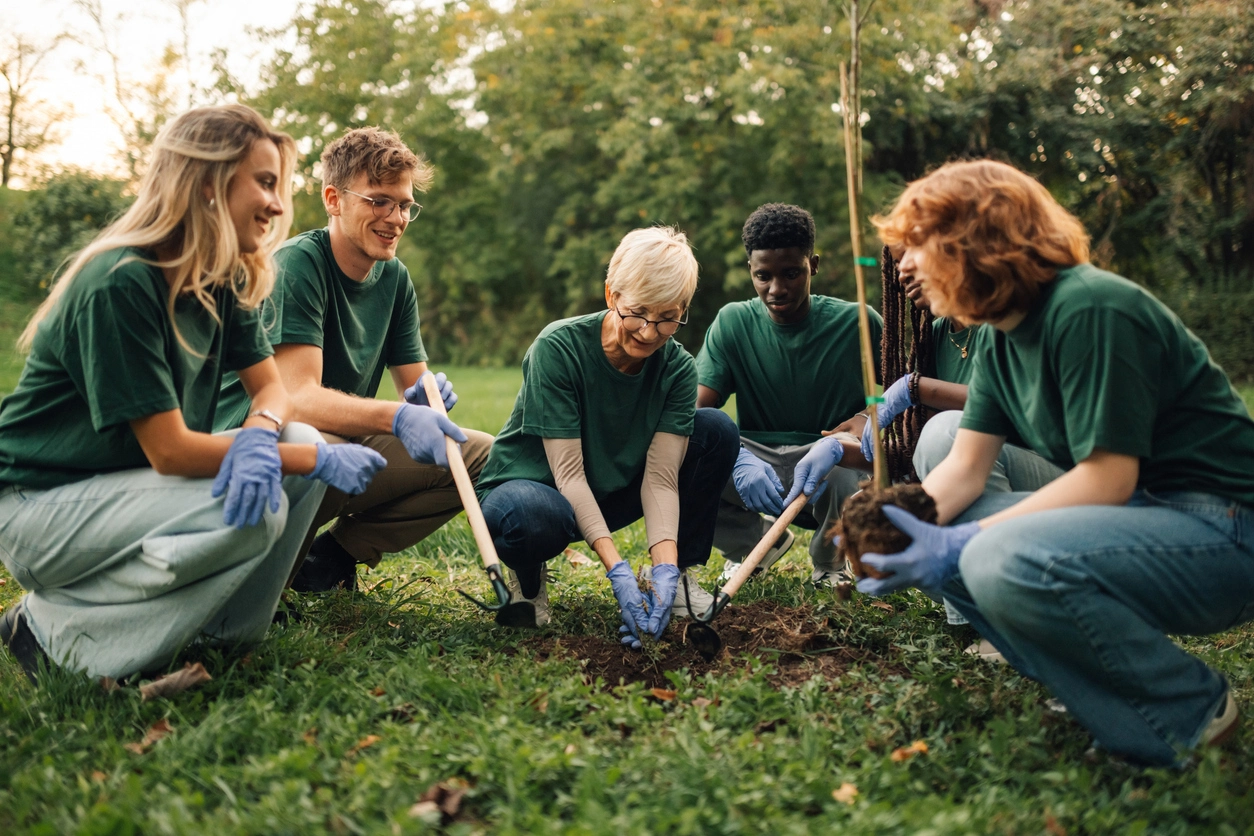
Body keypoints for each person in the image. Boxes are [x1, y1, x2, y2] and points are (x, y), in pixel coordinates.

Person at [857, 159, 1254, 766]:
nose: (904, 265)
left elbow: (1108, 478)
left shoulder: (1090, 308)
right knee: (955, 529)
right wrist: (899, 531)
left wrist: (961, 543)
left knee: (991, 553)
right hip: (1146, 518)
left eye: (918, 246)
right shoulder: (998, 333)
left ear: (975, 242)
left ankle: (1192, 714)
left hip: (1224, 529)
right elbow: (964, 468)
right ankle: (1099, 693)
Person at [0, 106, 387, 685]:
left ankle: (224, 635)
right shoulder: (121, 281)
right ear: (207, 182)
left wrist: (262, 433)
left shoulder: (223, 277)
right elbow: (171, 453)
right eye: (264, 182)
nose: (279, 205)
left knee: (296, 435)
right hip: (41, 509)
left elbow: (273, 393)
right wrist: (316, 457)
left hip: (123, 494)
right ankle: (52, 633)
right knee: (258, 507)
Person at [216, 127, 492, 592]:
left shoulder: (394, 277)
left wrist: (428, 398)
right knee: (312, 436)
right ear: (333, 199)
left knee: (478, 453)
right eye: (379, 201)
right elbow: (296, 399)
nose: (396, 218)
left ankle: (331, 558)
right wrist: (397, 416)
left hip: (338, 438)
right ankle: (260, 575)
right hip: (260, 442)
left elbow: (416, 384)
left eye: (405, 205)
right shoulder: (298, 265)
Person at [475, 227, 738, 639]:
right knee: (533, 517)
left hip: (609, 492)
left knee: (715, 429)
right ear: (611, 296)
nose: (650, 332)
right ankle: (527, 583)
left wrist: (664, 564)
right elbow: (569, 477)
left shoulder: (679, 369)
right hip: (534, 491)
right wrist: (618, 573)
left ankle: (676, 581)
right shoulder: (558, 348)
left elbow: (662, 480)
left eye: (668, 317)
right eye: (638, 312)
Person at [696, 204, 881, 588]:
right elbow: (695, 411)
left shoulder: (857, 322)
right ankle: (756, 544)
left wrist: (865, 419)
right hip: (756, 459)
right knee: (684, 459)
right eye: (763, 276)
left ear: (813, 265)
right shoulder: (732, 322)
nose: (776, 289)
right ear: (750, 269)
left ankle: (830, 563)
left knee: (851, 463)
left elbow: (903, 396)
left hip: (829, 457)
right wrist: (737, 458)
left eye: (791, 273)